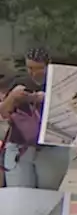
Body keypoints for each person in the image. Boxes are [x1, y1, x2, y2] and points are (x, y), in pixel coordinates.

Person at [1, 47, 69, 190]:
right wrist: (12, 97)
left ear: (48, 65)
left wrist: (46, 99)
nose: (33, 72)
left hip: (52, 147)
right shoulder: (18, 82)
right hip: (19, 146)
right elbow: (4, 112)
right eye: (30, 68)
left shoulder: (60, 83)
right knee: (18, 195)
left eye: (38, 68)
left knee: (46, 195)